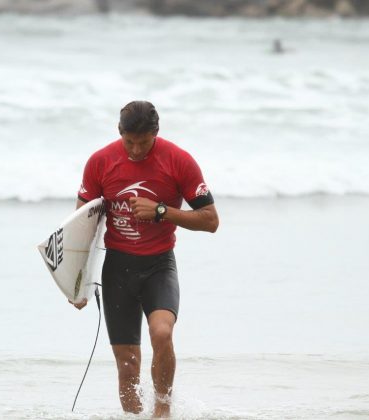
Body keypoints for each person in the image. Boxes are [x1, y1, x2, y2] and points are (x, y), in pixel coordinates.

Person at [70, 100, 219, 417]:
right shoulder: (100, 162)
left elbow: (210, 220)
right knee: (128, 364)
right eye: (129, 142)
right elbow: (81, 227)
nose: (136, 150)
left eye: (144, 143)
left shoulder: (178, 161)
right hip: (118, 269)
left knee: (162, 333)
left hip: (158, 266)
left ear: (156, 133)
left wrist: (162, 211)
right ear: (119, 132)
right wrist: (75, 285)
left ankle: (162, 413)